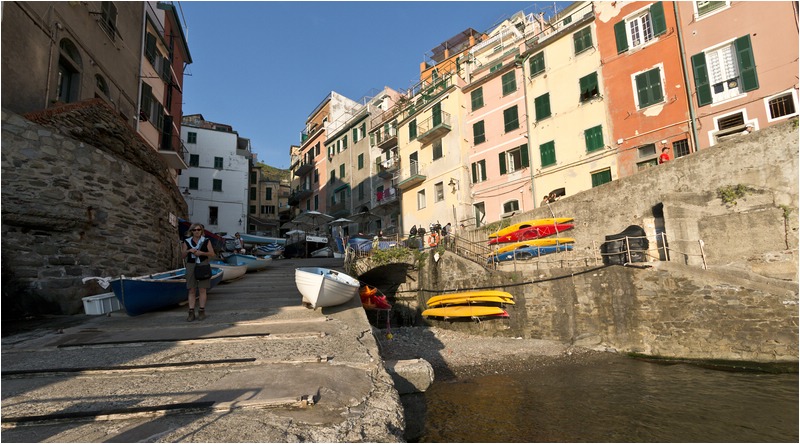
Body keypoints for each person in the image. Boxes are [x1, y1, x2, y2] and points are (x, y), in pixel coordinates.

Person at [182, 223, 216, 322]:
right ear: (191, 231)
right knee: (191, 289)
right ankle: (191, 312)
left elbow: (212, 254)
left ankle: (201, 311)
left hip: (203, 264)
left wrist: (202, 253)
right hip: (191, 265)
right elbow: (182, 256)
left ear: (201, 231)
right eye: (194, 230)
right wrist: (188, 251)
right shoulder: (187, 241)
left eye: (198, 229)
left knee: (202, 289)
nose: (197, 231)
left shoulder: (206, 241)